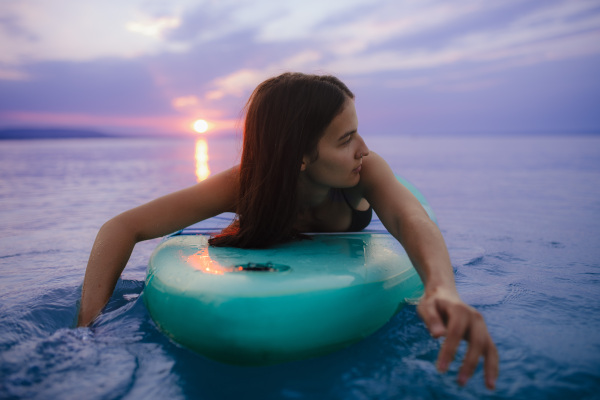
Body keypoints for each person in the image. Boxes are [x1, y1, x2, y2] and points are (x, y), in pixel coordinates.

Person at [77, 72, 498, 389]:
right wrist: (89, 328)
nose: (364, 148)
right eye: (346, 138)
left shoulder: (367, 172)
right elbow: (122, 227)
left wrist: (442, 287)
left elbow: (410, 220)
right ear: (299, 156)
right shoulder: (243, 183)